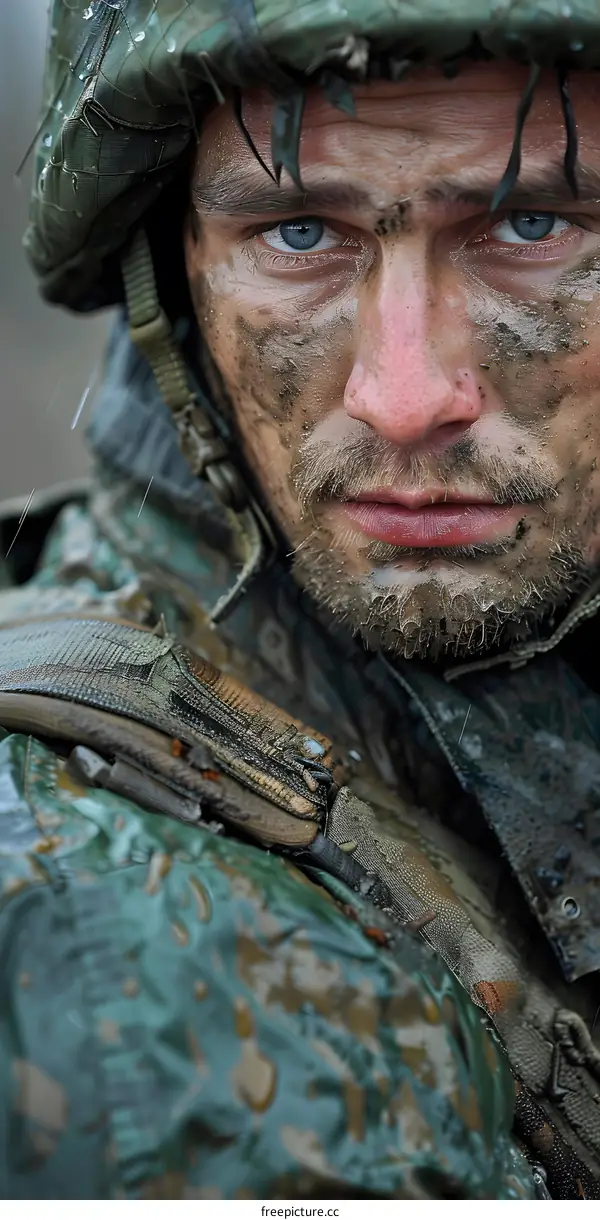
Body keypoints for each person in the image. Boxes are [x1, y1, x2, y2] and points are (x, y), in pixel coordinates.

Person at [0, 0, 598, 1201]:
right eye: (297, 233)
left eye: (530, 224)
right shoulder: (97, 952)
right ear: (172, 278)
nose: (405, 397)